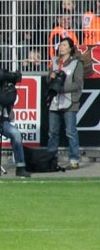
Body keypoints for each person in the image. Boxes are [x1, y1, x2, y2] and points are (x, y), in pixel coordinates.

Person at [47, 38, 84, 170]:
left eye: (64, 45)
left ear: (70, 48)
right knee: (52, 132)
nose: (61, 47)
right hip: (55, 101)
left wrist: (62, 89)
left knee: (70, 131)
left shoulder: (76, 64)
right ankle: (51, 159)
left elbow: (78, 84)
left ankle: (74, 158)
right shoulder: (55, 62)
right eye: (60, 45)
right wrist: (50, 77)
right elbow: (48, 79)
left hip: (69, 101)